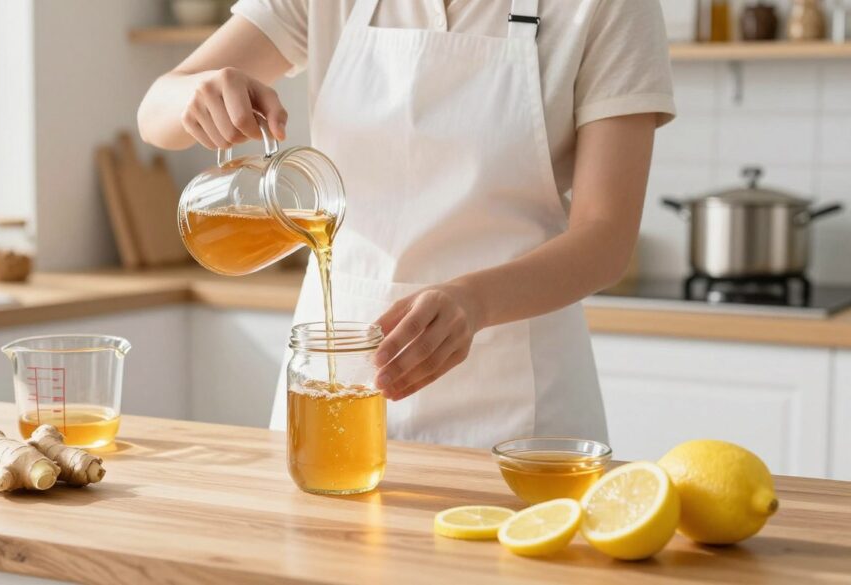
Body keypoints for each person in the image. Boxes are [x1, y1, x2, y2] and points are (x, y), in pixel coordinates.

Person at [138, 0, 675, 448]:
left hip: (521, 407)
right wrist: (197, 93)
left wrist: (475, 302)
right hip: (337, 385)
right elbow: (155, 113)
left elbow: (607, 236)